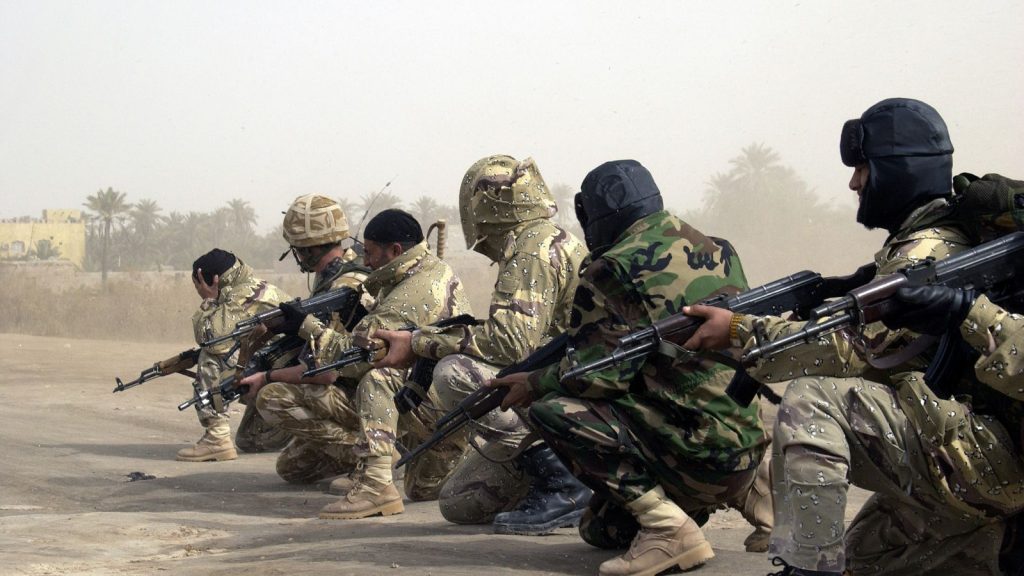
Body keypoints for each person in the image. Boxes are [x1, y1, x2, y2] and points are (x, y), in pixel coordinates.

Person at [683, 98, 1024, 575]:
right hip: (977, 455)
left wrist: (739, 330)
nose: (854, 182)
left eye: (863, 168)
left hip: (983, 460)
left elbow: (851, 351)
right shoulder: (927, 245)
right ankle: (989, 544)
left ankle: (805, 569)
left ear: (896, 170)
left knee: (811, 402)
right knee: (862, 558)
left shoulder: (928, 253)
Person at [489, 159, 770, 576]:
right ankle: (759, 499)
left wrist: (533, 381)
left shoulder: (610, 269)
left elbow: (595, 377)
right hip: (746, 443)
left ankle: (668, 530)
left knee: (553, 408)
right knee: (602, 529)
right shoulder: (719, 248)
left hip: (699, 454)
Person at [373, 155, 591, 534]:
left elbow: (510, 341)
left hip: (563, 392)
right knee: (458, 502)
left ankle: (563, 480)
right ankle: (564, 477)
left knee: (455, 372)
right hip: (556, 386)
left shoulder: (532, 248)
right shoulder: (544, 240)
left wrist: (421, 343)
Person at [252, 208, 472, 519]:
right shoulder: (420, 272)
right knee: (423, 489)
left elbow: (356, 358)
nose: (366, 262)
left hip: (438, 412)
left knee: (378, 377)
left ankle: (375, 486)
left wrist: (307, 326)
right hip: (433, 404)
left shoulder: (413, 291)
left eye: (370, 253)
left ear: (395, 250)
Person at [237, 194, 370, 485]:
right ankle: (366, 446)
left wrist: (267, 377)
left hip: (367, 393)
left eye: (297, 249)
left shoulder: (342, 288)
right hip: (355, 388)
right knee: (293, 468)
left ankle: (372, 456)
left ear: (307, 249)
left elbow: (324, 372)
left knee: (272, 398)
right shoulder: (349, 271)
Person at [178, 248, 292, 462]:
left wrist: (209, 301)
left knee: (211, 356)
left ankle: (216, 439)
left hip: (287, 373)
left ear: (212, 280)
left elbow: (210, 337)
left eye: (198, 286)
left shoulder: (243, 296)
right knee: (251, 439)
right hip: (287, 370)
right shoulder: (251, 287)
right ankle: (302, 432)